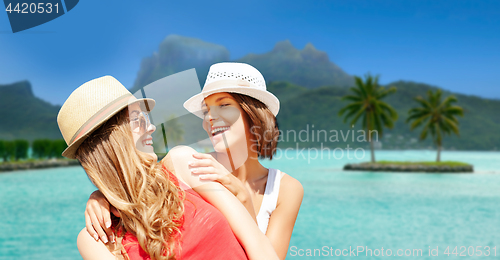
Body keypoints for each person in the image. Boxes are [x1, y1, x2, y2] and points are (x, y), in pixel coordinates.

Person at [86, 63, 304, 259]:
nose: (210, 117)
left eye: (224, 104)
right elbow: (139, 184)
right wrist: (101, 197)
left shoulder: (285, 188)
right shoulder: (190, 165)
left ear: (253, 113)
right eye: (206, 110)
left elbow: (267, 253)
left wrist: (244, 198)